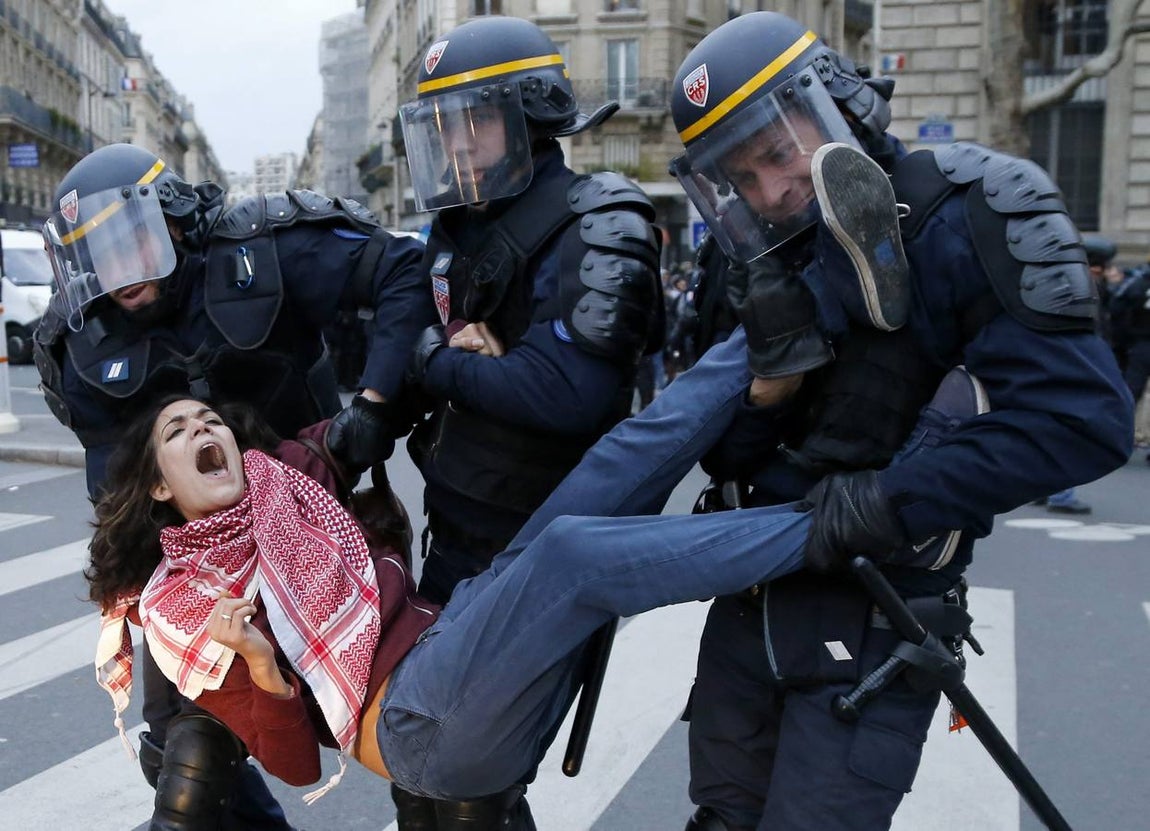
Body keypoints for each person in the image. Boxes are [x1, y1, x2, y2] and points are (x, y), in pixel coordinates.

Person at [642, 12, 1131, 830]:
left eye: (778, 153)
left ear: (839, 106)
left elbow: (1082, 420)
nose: (771, 191)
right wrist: (768, 393)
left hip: (878, 610)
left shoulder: (974, 208)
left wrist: (887, 500)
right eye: (743, 177)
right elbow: (723, 454)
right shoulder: (749, 252)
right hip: (752, 606)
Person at [35, 143, 435, 830]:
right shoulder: (79, 345)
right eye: (95, 256)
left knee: (424, 731)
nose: (116, 271)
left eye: (127, 241)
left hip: (316, 520)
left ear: (174, 221)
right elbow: (116, 486)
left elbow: (403, 269)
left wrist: (372, 403)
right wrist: (130, 588)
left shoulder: (263, 246)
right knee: (180, 755)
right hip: (201, 560)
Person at [394, 16, 664, 827]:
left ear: (532, 113)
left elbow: (563, 393)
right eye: (443, 125)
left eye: (474, 119)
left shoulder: (601, 218)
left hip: (540, 547)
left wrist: (441, 362)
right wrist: (462, 364)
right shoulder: (457, 228)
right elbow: (419, 333)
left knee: (474, 789)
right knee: (418, 768)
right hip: (454, 534)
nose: (456, 143)